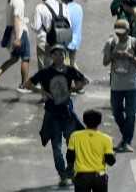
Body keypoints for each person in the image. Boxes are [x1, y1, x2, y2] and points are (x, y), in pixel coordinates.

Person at [25, 45, 89, 187]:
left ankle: (70, 170)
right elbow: (28, 84)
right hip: (52, 115)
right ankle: (62, 175)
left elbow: (84, 81)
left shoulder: (70, 71)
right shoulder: (45, 73)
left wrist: (72, 89)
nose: (58, 57)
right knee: (56, 148)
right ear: (51, 56)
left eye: (61, 54)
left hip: (67, 113)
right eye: (55, 54)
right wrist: (43, 92)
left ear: (64, 56)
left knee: (71, 144)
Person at [102, 18, 136, 153]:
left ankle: (126, 141)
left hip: (132, 84)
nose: (120, 35)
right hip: (116, 84)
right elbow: (105, 62)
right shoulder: (111, 43)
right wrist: (113, 56)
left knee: (130, 114)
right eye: (118, 32)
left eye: (123, 32)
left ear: (128, 31)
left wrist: (130, 57)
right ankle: (126, 138)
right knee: (116, 112)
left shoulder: (135, 44)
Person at [66, 110, 116, 192]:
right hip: (99, 177)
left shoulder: (75, 136)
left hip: (81, 177)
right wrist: (113, 155)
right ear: (99, 122)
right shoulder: (106, 139)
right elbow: (111, 161)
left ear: (84, 121)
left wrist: (70, 169)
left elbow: (70, 157)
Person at [32, 0, 62, 69]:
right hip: (59, 42)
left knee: (43, 69)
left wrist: (31, 24)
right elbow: (69, 24)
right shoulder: (62, 6)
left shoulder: (40, 7)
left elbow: (36, 27)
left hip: (44, 41)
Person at [62, 0, 84, 68]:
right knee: (72, 62)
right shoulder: (79, 7)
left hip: (66, 43)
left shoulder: (64, 9)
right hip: (76, 41)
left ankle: (77, 79)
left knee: (66, 65)